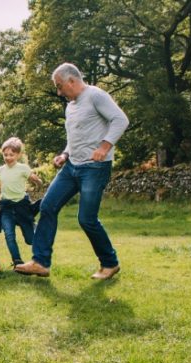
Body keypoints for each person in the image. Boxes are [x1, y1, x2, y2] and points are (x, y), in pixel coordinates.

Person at [15, 62, 129, 278]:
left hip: (94, 168)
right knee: (47, 206)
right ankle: (40, 262)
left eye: (60, 86)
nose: (59, 92)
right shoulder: (71, 106)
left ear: (71, 81)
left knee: (86, 218)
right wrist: (65, 154)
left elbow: (120, 120)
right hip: (71, 167)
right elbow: (75, 136)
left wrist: (105, 146)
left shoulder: (96, 95)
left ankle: (110, 263)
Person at [0, 137, 42, 267]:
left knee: (30, 240)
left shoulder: (23, 168)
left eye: (11, 154)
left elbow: (33, 178)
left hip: (22, 207)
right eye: (5, 155)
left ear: (18, 155)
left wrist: (38, 182)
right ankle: (17, 261)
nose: (8, 157)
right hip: (6, 208)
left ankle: (35, 228)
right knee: (9, 235)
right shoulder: (0, 170)